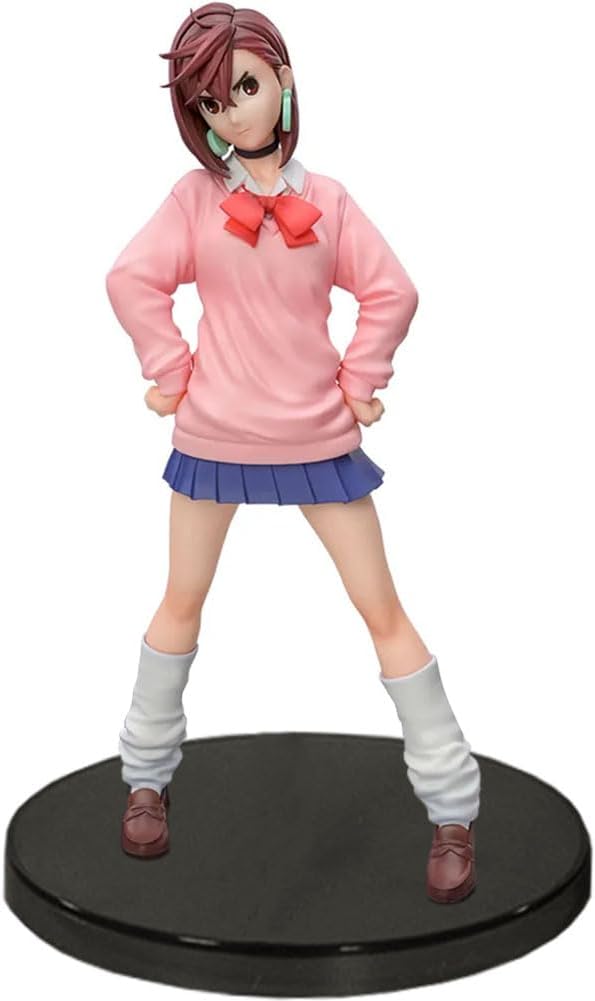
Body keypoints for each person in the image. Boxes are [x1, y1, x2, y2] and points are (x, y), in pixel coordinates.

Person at [105, 2, 480, 903]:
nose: (231, 111)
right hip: (214, 435)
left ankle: (452, 809)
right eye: (210, 101)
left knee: (381, 609)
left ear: (282, 79)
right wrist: (170, 369)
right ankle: (145, 779)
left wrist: (361, 377)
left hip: (317, 436)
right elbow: (130, 278)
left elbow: (392, 291)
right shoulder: (194, 200)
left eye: (242, 86)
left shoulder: (331, 200)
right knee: (181, 602)